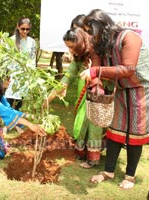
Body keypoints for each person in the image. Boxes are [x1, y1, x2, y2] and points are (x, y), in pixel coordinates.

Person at [79, 9, 149, 189]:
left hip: (144, 88)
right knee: (115, 129)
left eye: (90, 31)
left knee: (134, 133)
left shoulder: (128, 37)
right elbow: (95, 65)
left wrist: (95, 72)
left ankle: (130, 176)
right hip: (123, 88)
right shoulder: (98, 43)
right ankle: (108, 171)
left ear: (100, 27)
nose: (88, 35)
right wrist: (96, 84)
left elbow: (127, 69)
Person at [47, 27, 106, 169]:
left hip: (98, 93)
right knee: (82, 122)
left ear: (80, 42)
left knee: (94, 124)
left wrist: (93, 72)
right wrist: (48, 99)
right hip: (84, 92)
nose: (71, 51)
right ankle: (82, 152)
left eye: (72, 47)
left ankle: (93, 158)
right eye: (68, 48)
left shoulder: (95, 52)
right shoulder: (78, 57)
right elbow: (67, 78)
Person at [5, 17, 36, 111]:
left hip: (24, 74)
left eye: (27, 29)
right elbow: (5, 58)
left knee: (20, 100)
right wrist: (6, 73)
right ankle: (8, 121)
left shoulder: (32, 42)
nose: (25, 31)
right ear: (18, 27)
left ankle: (18, 121)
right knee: (9, 98)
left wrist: (32, 74)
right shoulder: (10, 41)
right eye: (23, 29)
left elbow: (33, 58)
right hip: (12, 73)